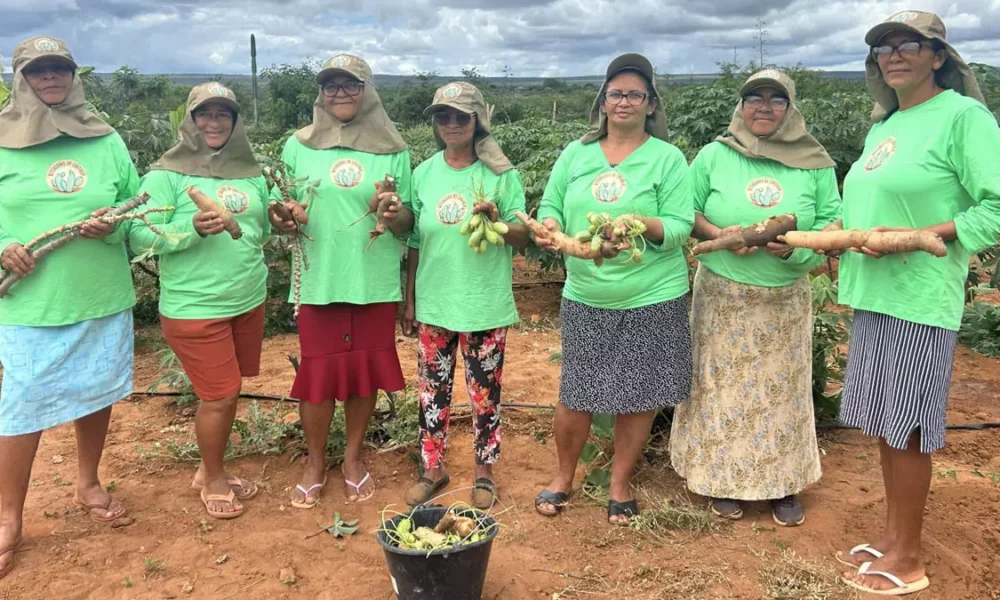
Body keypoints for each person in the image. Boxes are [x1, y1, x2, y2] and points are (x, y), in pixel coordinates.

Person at [830, 11, 1000, 596]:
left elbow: (995, 206)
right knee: (887, 424)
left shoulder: (962, 117)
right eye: (884, 47)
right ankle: (893, 537)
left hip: (919, 298)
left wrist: (915, 236)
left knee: (906, 429)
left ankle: (908, 559)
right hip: (874, 294)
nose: (894, 54)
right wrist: (830, 236)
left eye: (909, 44)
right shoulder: (886, 125)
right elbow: (867, 209)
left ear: (938, 56)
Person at [669, 70, 841, 527]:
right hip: (722, 295)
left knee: (781, 392)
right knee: (720, 389)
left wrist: (797, 246)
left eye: (776, 99)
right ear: (741, 106)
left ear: (790, 108)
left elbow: (833, 219)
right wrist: (719, 234)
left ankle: (783, 484)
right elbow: (687, 209)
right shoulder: (715, 154)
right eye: (754, 98)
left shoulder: (814, 162)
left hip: (783, 299)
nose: (764, 106)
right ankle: (721, 480)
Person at [531, 53, 694, 525]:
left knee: (639, 393)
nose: (624, 101)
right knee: (576, 391)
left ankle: (619, 483)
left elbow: (680, 226)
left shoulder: (667, 158)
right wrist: (550, 227)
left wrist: (641, 223)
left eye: (635, 94)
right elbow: (550, 203)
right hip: (586, 293)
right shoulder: (575, 153)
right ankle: (564, 476)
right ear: (602, 102)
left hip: (652, 294)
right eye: (616, 93)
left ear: (651, 104)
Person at [0, 37, 139, 579]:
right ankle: (8, 516)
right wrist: (2, 245)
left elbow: (132, 203)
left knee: (95, 391)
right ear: (21, 79)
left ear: (74, 75)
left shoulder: (105, 137)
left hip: (100, 293)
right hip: (31, 300)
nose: (51, 78)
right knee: (22, 404)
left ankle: (88, 483)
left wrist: (113, 222)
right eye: (39, 71)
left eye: (60, 68)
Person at [270, 54, 413, 508]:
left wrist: (393, 211)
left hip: (372, 279)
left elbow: (409, 222)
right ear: (321, 94)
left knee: (363, 376)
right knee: (318, 375)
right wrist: (285, 217)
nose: (340, 94)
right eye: (331, 86)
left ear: (367, 91)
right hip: (319, 278)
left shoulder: (394, 149)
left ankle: (352, 457)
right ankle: (315, 461)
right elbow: (279, 209)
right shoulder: (299, 145)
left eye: (350, 85)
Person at [129, 83, 269, 519]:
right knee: (221, 395)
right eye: (204, 114)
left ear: (235, 121)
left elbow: (260, 231)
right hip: (195, 307)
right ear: (190, 121)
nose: (213, 122)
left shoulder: (250, 172)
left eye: (223, 114)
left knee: (229, 389)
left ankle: (208, 470)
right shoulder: (166, 175)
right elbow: (138, 235)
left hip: (247, 298)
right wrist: (191, 230)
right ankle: (213, 479)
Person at [400, 82, 530, 509]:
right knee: (431, 391)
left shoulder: (501, 174)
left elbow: (524, 235)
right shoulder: (423, 173)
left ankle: (484, 472)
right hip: (434, 302)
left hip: (483, 303)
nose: (451, 124)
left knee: (484, 394)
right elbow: (416, 240)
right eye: (443, 116)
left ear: (478, 121)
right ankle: (432, 468)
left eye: (461, 116)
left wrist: (498, 221)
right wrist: (409, 298)